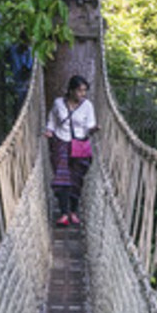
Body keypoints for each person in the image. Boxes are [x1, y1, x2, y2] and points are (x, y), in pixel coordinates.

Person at [44, 74, 97, 226]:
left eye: (85, 91)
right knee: (62, 178)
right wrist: (49, 130)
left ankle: (73, 211)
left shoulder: (87, 106)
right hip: (61, 142)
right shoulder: (58, 103)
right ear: (71, 90)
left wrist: (93, 129)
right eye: (80, 91)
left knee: (76, 180)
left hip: (79, 145)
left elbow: (90, 125)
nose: (83, 94)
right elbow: (52, 119)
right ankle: (63, 214)